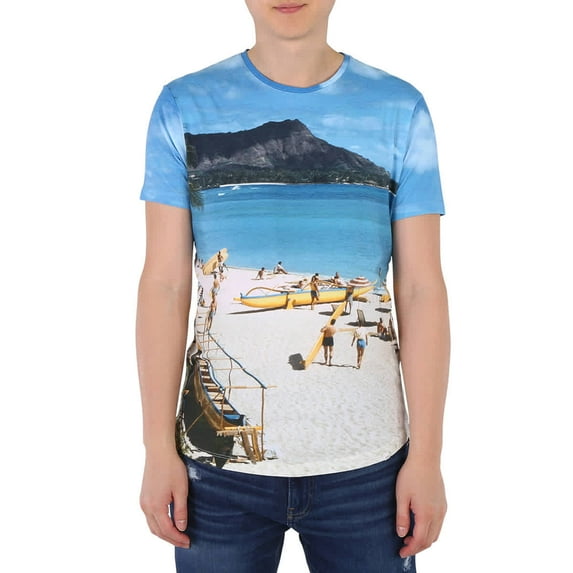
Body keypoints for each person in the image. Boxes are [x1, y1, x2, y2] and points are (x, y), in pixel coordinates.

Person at [137, 2, 449, 571]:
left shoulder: (400, 107)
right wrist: (157, 449)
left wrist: (427, 457)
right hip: (217, 476)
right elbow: (164, 284)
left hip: (370, 468)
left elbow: (421, 288)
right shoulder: (183, 104)